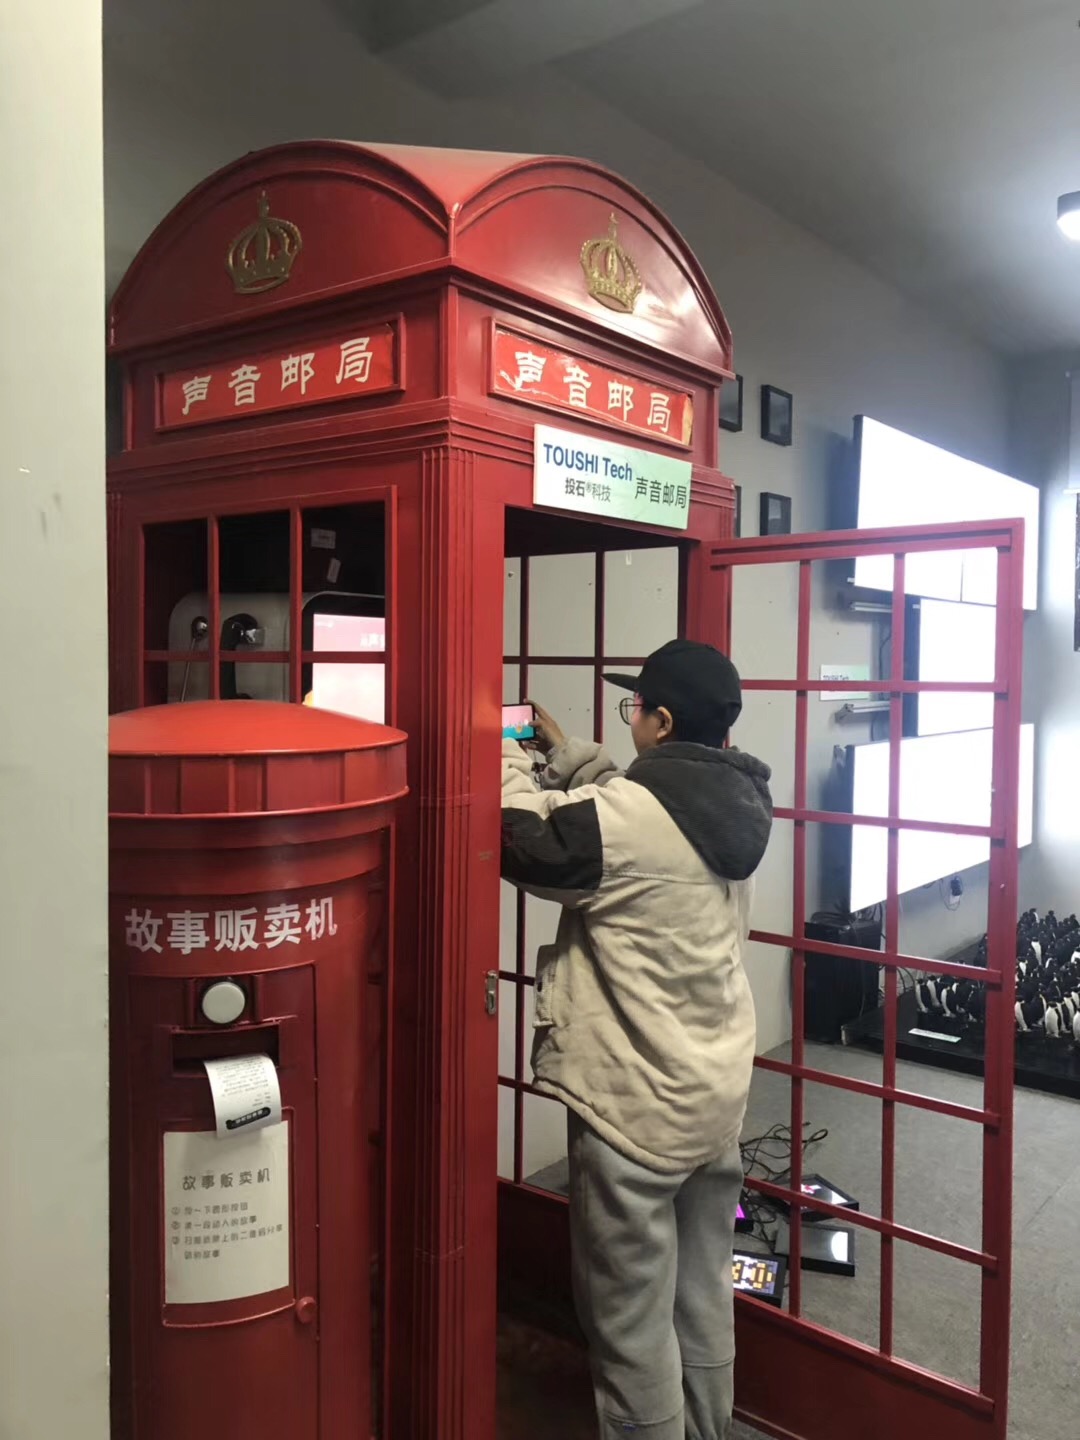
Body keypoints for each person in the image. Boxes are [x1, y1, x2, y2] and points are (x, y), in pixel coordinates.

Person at [500, 639, 772, 1440]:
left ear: (662, 722)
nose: (632, 720)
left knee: (628, 1319)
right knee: (701, 1289)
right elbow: (636, 808)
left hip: (635, 1106)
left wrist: (501, 756)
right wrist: (566, 755)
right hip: (713, 1092)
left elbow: (524, 837)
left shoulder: (627, 823)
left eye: (637, 709)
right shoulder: (734, 800)